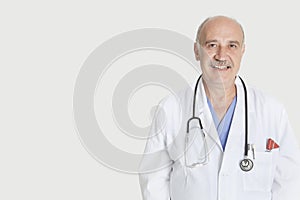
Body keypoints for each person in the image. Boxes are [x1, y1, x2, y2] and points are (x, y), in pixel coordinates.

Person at [139, 15, 300, 200]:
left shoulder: (271, 111)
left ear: (242, 51)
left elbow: (290, 182)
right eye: (212, 45)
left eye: (232, 45)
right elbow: (153, 182)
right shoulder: (171, 109)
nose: (221, 56)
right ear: (196, 51)